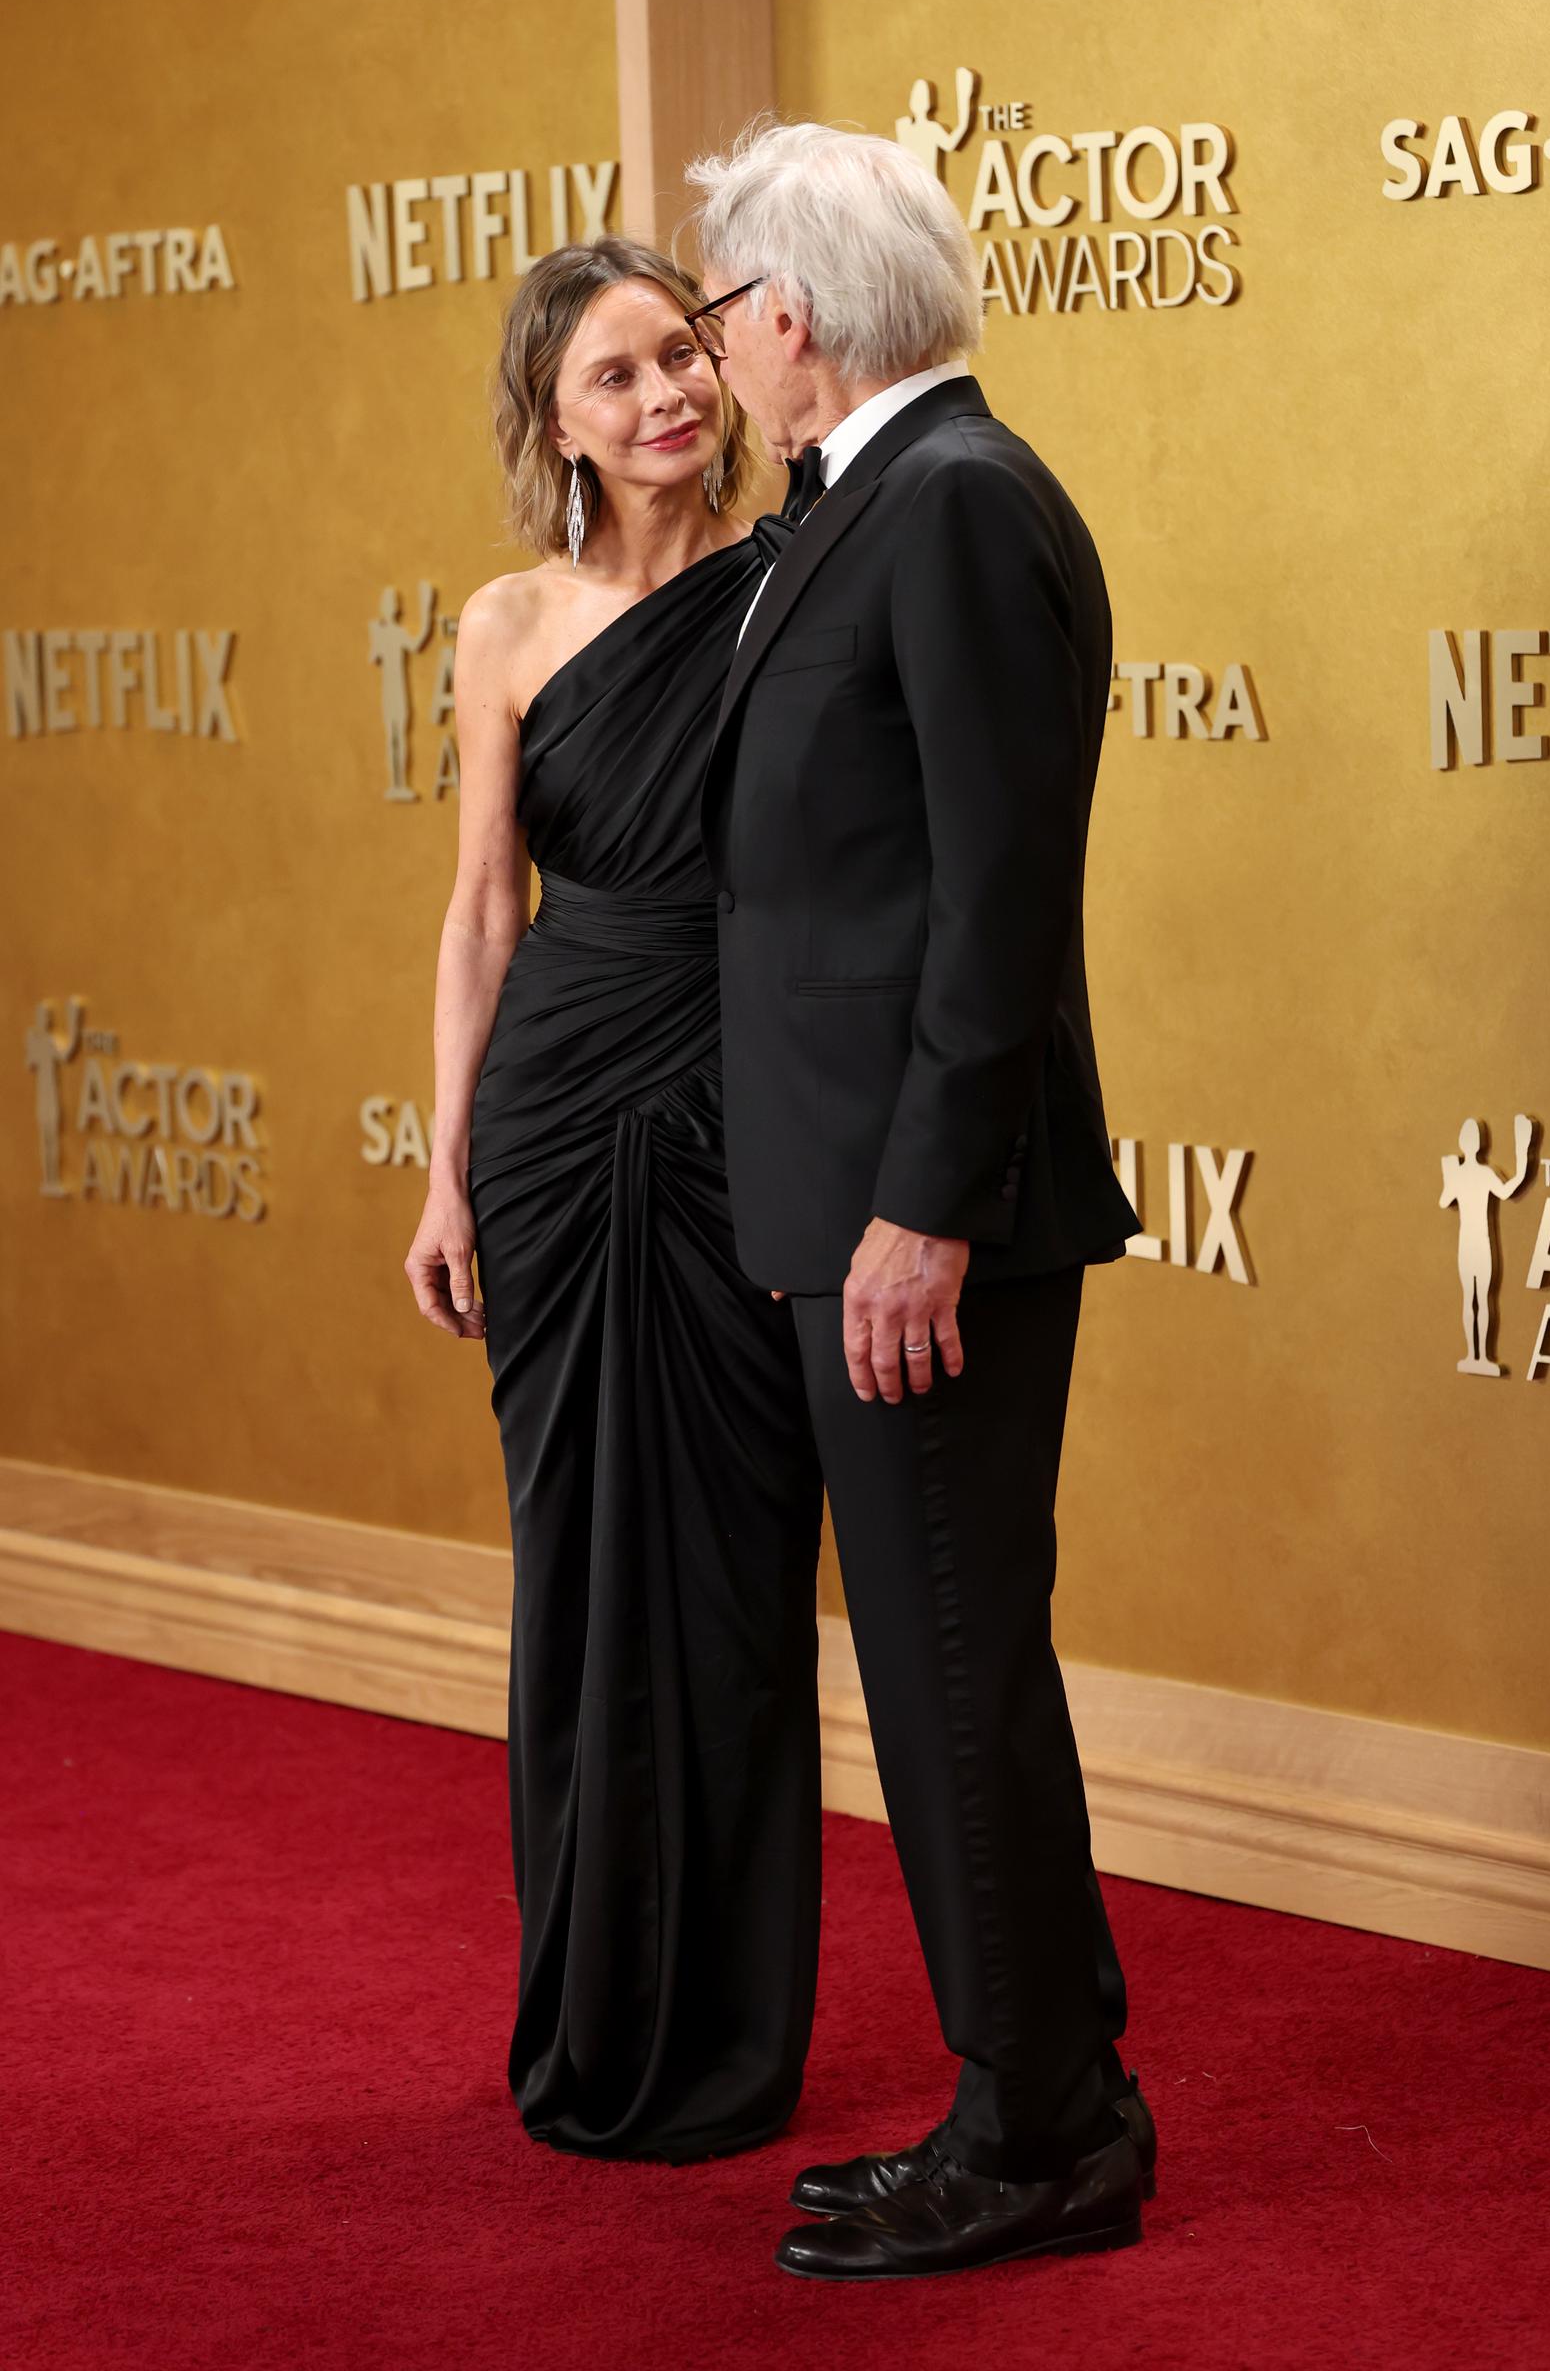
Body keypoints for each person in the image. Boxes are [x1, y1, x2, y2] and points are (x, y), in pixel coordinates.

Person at [686, 118, 1156, 2279]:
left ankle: (1036, 2138)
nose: (713, 350)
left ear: (785, 316)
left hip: (918, 1217)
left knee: (950, 1666)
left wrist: (919, 1211)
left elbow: (992, 898)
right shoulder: (855, 500)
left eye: (717, 312)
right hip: (849, 1194)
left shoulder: (954, 505)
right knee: (952, 1666)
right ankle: (1046, 2080)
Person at [402, 236, 825, 2163]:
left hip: (744, 1107)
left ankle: (729, 2032)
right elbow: (486, 908)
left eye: (681, 357)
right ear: (554, 425)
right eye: (614, 378)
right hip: (560, 1128)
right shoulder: (502, 624)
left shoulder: (791, 585)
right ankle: (582, 2012)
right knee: (574, 1564)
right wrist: (447, 1166)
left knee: (737, 1565)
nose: (664, 396)